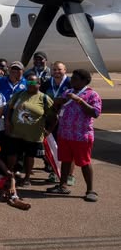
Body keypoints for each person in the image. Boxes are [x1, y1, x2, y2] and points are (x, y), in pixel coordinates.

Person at [47, 69, 101, 201]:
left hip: (81, 135)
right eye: (72, 78)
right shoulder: (68, 92)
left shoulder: (92, 95)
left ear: (84, 81)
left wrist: (79, 100)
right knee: (65, 160)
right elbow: (57, 110)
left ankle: (90, 190)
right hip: (65, 134)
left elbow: (95, 113)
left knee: (84, 162)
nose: (72, 81)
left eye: (75, 79)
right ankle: (62, 186)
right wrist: (57, 103)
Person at [5, 74, 54, 186]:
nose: (30, 85)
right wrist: (7, 122)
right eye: (28, 83)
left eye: (33, 82)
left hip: (33, 135)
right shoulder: (19, 94)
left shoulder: (44, 98)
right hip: (16, 132)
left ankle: (27, 178)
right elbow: (9, 109)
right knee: (12, 154)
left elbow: (54, 117)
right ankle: (10, 176)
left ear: (39, 84)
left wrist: (49, 130)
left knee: (29, 156)